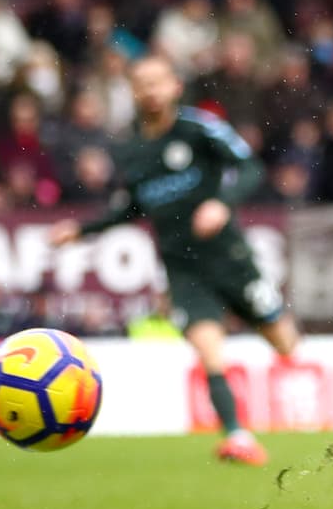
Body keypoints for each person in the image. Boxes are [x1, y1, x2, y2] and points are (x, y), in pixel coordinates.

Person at [49, 54, 300, 466]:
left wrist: (221, 203)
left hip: (230, 257)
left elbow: (250, 168)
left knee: (285, 344)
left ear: (174, 86)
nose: (151, 90)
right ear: (133, 91)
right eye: (143, 83)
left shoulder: (198, 128)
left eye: (158, 82)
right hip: (183, 267)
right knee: (208, 349)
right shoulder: (130, 151)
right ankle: (238, 436)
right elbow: (129, 208)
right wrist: (81, 229)